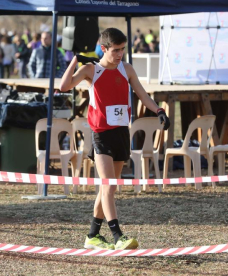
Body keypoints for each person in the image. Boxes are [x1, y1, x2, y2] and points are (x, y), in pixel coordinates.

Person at [60, 28, 170, 250]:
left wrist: (158, 110)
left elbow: (141, 93)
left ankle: (92, 235)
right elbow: (63, 87)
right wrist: (75, 61)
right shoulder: (91, 69)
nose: (120, 54)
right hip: (101, 134)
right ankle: (117, 235)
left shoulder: (126, 68)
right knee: (108, 185)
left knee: (108, 187)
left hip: (121, 133)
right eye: (116, 50)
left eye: (122, 49)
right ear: (104, 48)